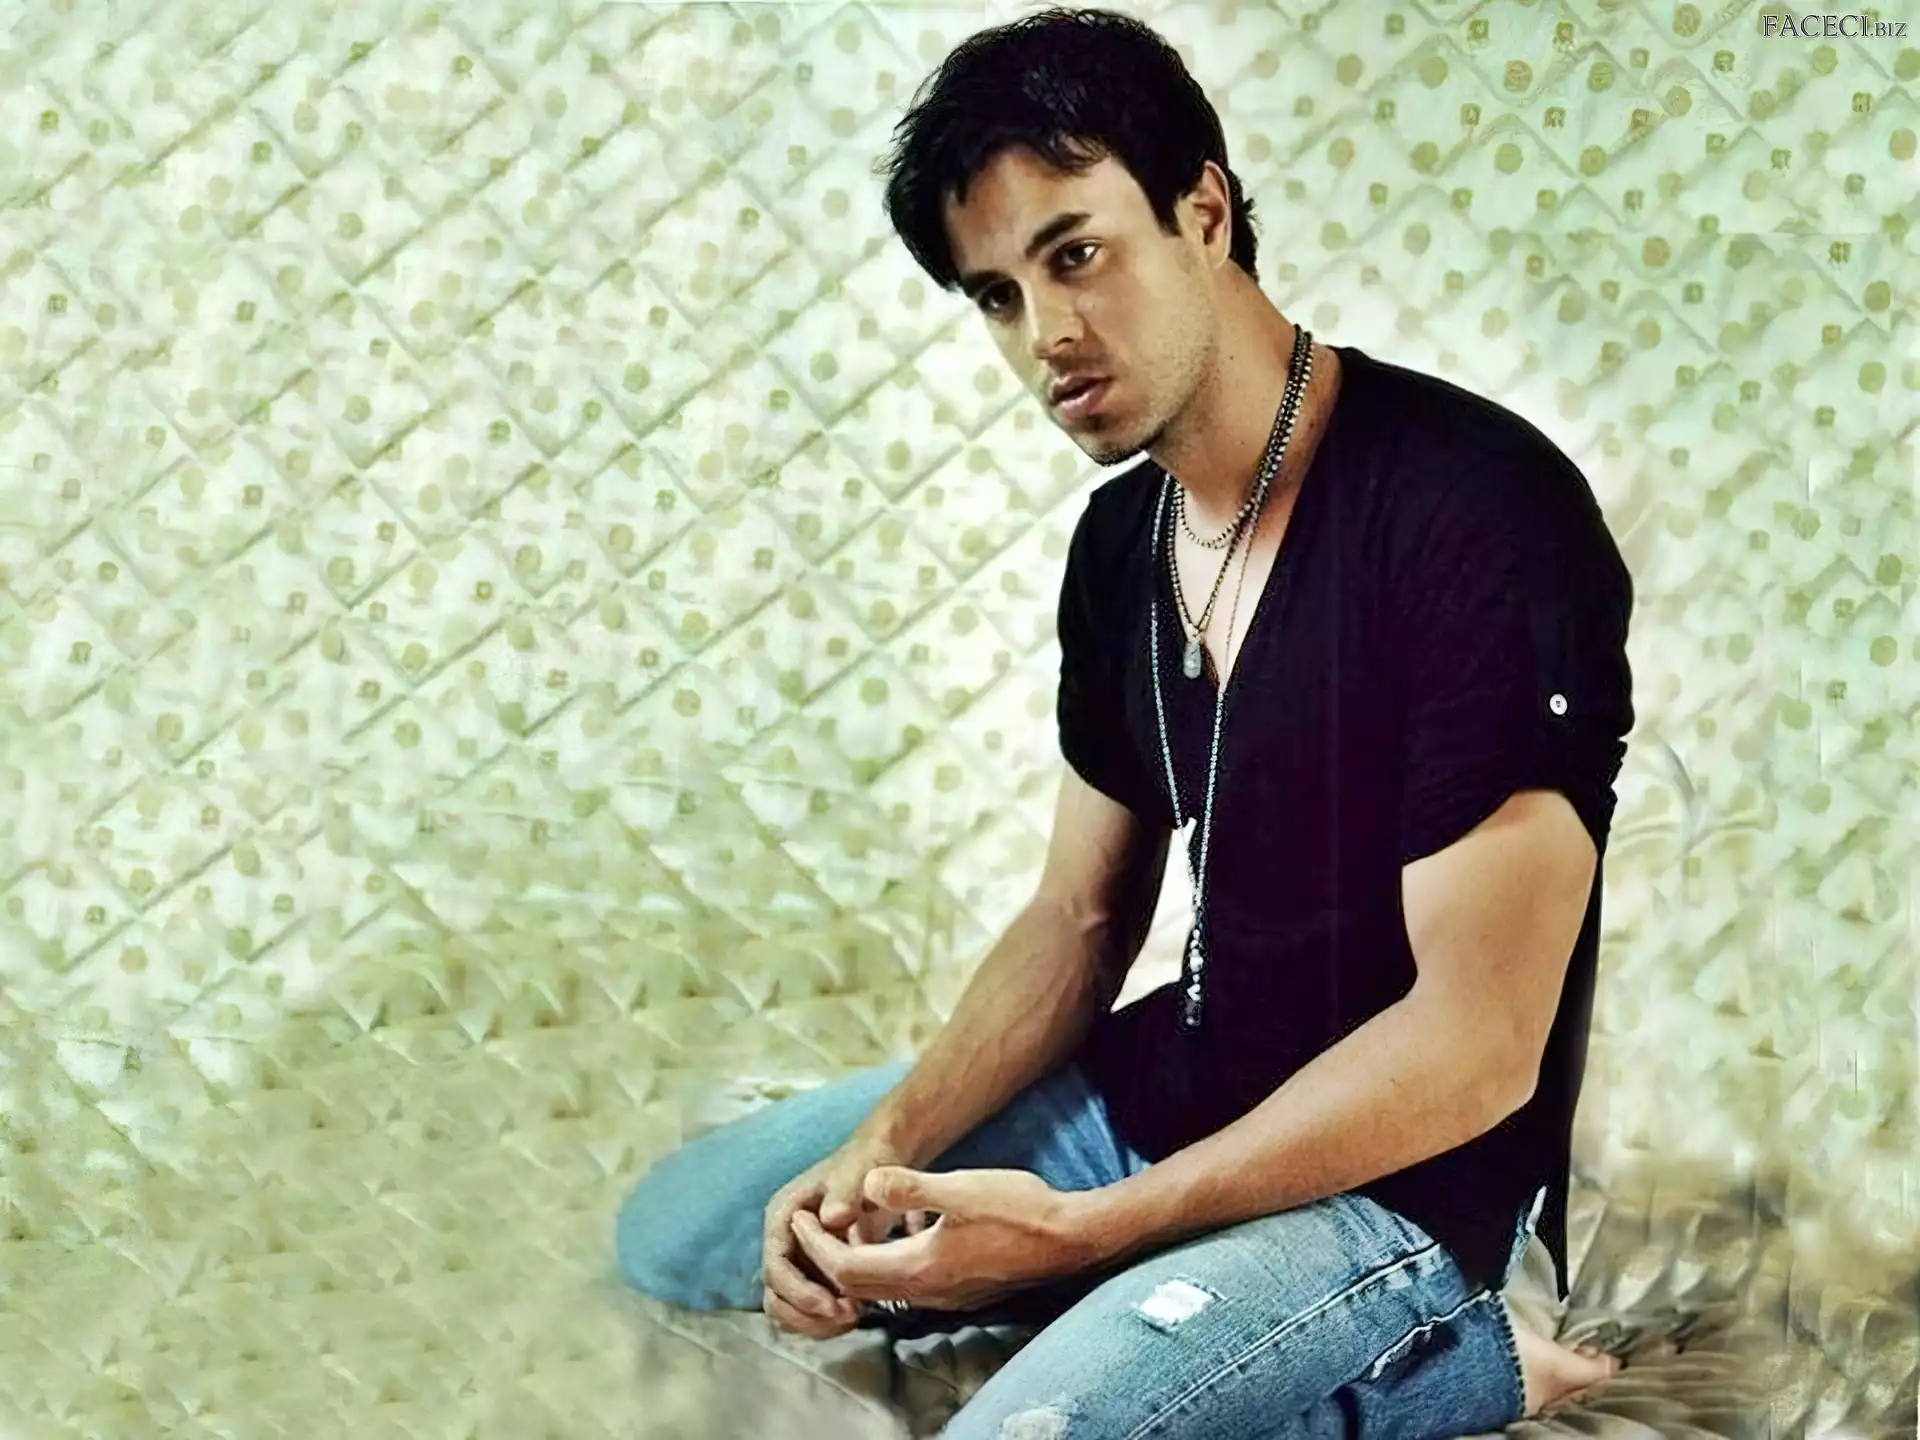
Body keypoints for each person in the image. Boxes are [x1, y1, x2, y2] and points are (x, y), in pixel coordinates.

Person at [619, 7, 1639, 1434]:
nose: (1047, 335)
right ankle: (1133, 1299)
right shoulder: (1123, 543)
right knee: (684, 1230)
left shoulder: (1476, 511)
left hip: (1402, 1189)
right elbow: (1080, 915)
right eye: (995, 295)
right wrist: (885, 1142)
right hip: (1170, 1095)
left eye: (1075, 254)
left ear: (1202, 214)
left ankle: (1464, 1357)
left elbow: (1478, 1045)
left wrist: (1080, 1235)